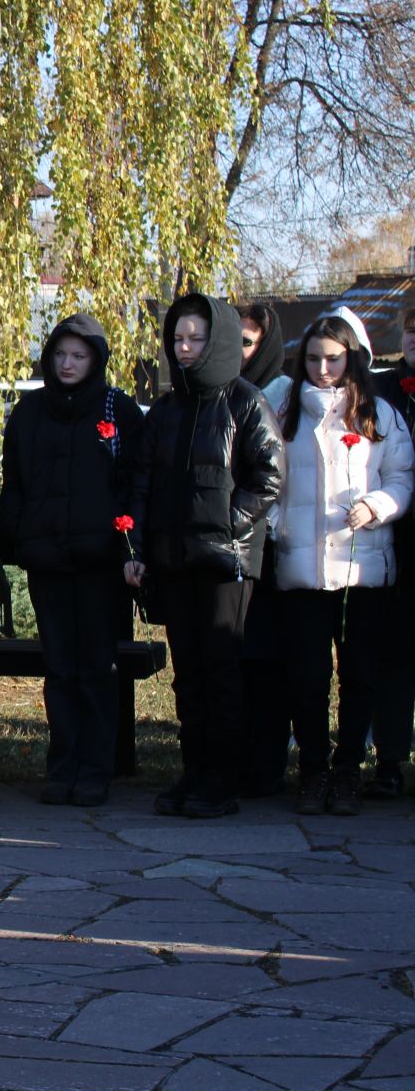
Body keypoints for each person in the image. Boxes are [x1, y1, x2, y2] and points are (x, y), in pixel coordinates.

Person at [126, 293, 285, 819]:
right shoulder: (167, 409)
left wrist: (226, 526)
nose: (186, 347)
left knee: (221, 670)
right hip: (174, 562)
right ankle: (193, 771)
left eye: (195, 338)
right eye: (178, 339)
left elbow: (269, 476)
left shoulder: (245, 400)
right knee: (188, 673)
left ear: (215, 341)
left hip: (225, 564)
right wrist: (141, 547)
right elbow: (143, 482)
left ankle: (223, 777)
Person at [0, 313, 143, 806]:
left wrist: (129, 546)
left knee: (96, 666)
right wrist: (17, 535)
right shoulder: (31, 411)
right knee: (60, 667)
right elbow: (13, 481)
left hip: (101, 560)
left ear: (96, 359)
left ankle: (97, 769)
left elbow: (135, 482)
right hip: (48, 556)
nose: (68, 364)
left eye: (78, 356)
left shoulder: (117, 409)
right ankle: (63, 767)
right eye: (60, 355)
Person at [270, 311, 411, 815]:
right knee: (307, 676)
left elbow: (401, 477)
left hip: (363, 567)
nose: (323, 369)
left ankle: (348, 768)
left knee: (360, 675)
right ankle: (312, 768)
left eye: (333, 359)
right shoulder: (283, 406)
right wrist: (274, 524)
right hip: (302, 567)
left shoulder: (378, 412)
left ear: (351, 358)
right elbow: (267, 476)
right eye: (313, 359)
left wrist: (377, 506)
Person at [237, 299, 293, 797]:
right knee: (239, 655)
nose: (239, 351)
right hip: (237, 546)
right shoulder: (224, 392)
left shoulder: (282, 394)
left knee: (269, 660)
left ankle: (269, 762)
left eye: (248, 341)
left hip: (274, 543)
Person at [369, 304, 415, 798]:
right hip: (395, 541)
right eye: (410, 329)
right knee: (393, 657)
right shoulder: (381, 389)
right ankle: (390, 761)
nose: (414, 338)